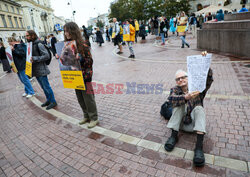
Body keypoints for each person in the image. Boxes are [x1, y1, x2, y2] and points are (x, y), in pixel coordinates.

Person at [164, 61, 213, 167]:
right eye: (178, 79)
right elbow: (171, 99)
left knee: (199, 108)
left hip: (194, 126)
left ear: (188, 77)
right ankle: (173, 137)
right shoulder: (175, 90)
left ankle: (199, 147)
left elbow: (208, 80)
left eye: (183, 77)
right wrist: (185, 97)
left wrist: (206, 64)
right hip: (180, 125)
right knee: (178, 105)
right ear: (176, 82)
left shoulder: (198, 89)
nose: (181, 80)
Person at [63, 22, 99, 128]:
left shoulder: (83, 44)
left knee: (88, 98)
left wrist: (81, 59)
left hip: (85, 75)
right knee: (80, 97)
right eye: (64, 31)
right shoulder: (66, 45)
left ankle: (94, 118)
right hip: (75, 75)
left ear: (72, 31)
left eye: (67, 31)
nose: (65, 33)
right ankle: (86, 115)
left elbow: (90, 61)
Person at [26, 30, 57, 110]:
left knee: (46, 87)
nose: (26, 37)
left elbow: (46, 56)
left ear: (32, 35)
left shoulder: (39, 44)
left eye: (27, 36)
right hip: (36, 70)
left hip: (42, 69)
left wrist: (35, 58)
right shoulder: (30, 44)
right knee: (43, 87)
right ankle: (48, 100)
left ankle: (53, 101)